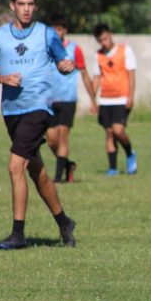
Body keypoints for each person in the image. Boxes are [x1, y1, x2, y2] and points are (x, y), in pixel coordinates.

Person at [0, 0, 77, 250]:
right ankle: (64, 222)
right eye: (21, 4)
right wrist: (2, 78)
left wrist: (67, 67)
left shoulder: (47, 34)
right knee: (38, 173)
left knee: (15, 166)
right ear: (12, 5)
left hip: (38, 108)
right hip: (12, 111)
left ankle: (18, 234)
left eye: (31, 4)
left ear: (35, 6)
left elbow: (63, 64)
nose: (26, 9)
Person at [46, 13, 97, 183]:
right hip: (48, 100)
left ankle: (58, 177)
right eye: (53, 30)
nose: (57, 33)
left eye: (59, 30)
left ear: (65, 31)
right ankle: (67, 165)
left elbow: (84, 74)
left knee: (63, 135)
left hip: (68, 99)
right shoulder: (46, 49)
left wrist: (93, 100)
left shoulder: (74, 49)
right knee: (51, 139)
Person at [92, 23, 138, 175]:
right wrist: (93, 100)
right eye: (100, 40)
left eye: (105, 38)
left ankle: (130, 152)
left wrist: (131, 96)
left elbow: (131, 75)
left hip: (122, 98)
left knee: (118, 131)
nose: (103, 42)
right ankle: (113, 168)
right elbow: (97, 78)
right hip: (105, 100)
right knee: (109, 133)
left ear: (110, 34)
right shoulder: (98, 55)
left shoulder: (125, 50)